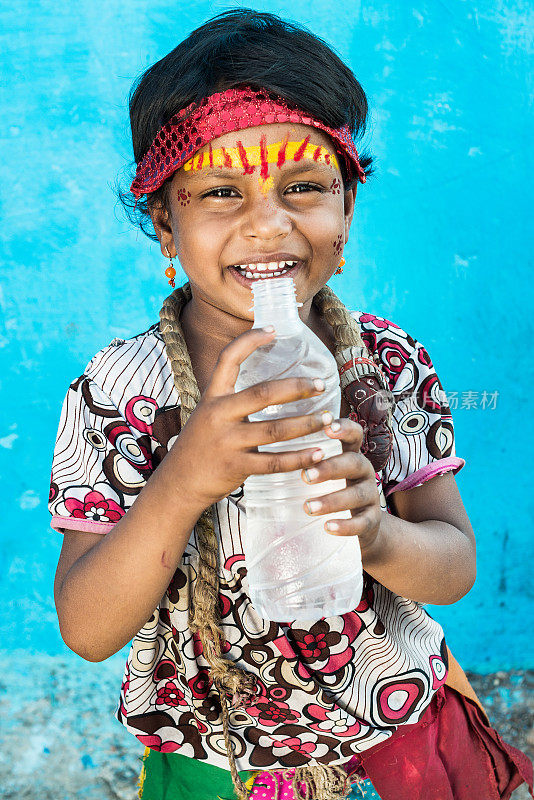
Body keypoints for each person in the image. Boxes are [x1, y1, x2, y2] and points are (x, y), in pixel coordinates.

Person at [47, 8, 533, 800]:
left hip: (398, 738)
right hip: (220, 762)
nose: (268, 225)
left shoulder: (384, 365)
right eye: (220, 193)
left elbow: (454, 567)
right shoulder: (119, 394)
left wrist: (376, 533)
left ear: (346, 216)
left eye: (304, 187)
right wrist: (184, 480)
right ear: (165, 225)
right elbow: (89, 629)